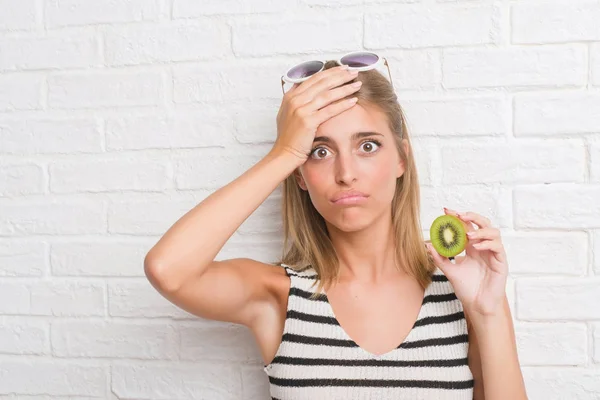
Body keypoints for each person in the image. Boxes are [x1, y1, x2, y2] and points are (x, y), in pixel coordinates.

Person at [144, 58, 528, 399]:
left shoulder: (464, 290)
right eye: (320, 152)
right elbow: (169, 271)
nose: (345, 174)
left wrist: (488, 311)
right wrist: (285, 152)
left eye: (368, 146)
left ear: (401, 160)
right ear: (300, 175)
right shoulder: (277, 296)